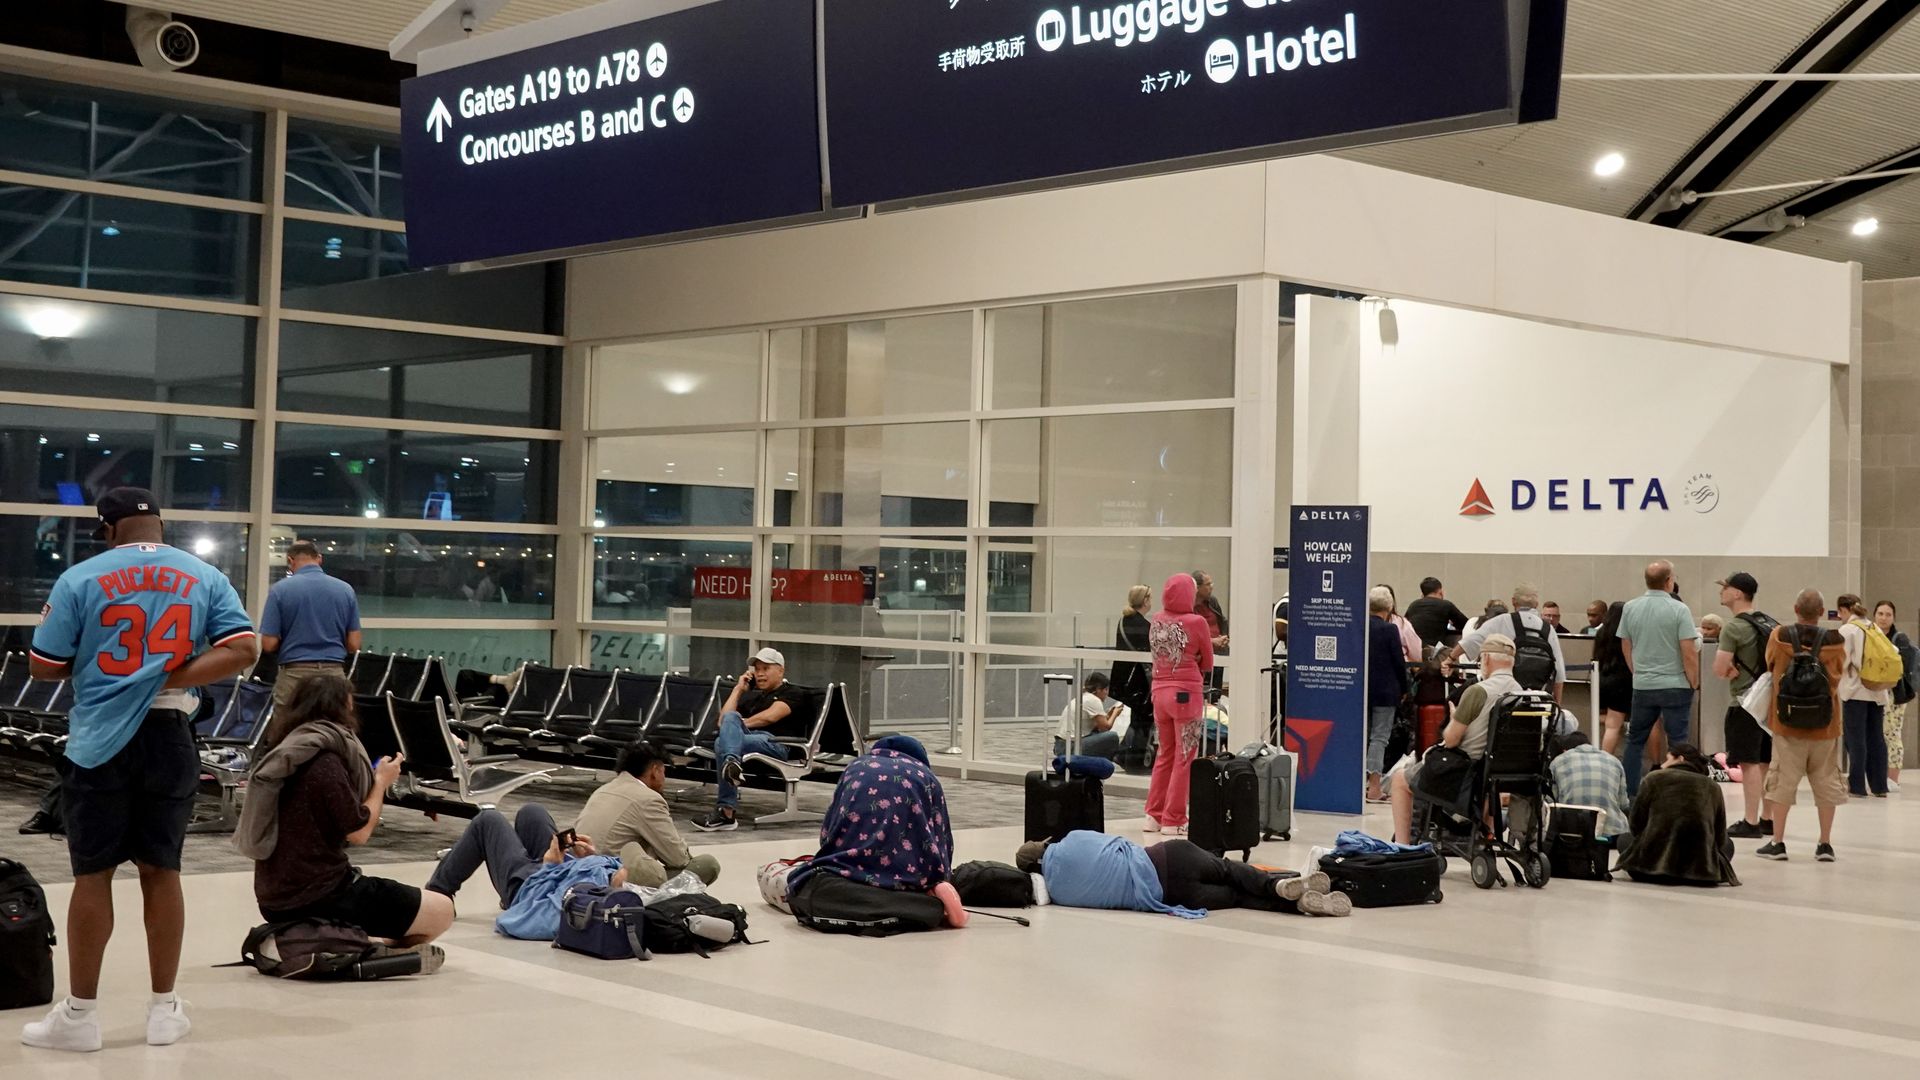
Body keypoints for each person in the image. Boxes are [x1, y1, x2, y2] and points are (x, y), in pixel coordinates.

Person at [22, 488, 258, 1053]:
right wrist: (163, 678)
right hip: (169, 738)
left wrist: (118, 675)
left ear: (106, 530)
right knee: (162, 870)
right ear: (160, 526)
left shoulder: (81, 579)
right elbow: (244, 649)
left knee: (92, 875)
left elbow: (44, 665)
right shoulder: (203, 575)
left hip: (100, 741)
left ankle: (80, 1017)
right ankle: (163, 1011)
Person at [240, 673, 453, 954]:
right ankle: (371, 949)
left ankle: (345, 941)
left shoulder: (288, 752)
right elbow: (358, 831)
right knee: (443, 910)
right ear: (343, 707)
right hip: (322, 893)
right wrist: (380, 783)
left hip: (272, 897)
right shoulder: (326, 761)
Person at [428, 741, 719, 905]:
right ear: (655, 771)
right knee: (497, 817)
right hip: (537, 888)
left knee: (526, 811)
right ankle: (437, 896)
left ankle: (438, 892)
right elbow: (679, 857)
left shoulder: (607, 787)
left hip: (561, 872)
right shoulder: (649, 799)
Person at [786, 735, 962, 930]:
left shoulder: (855, 767)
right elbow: (942, 838)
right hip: (909, 874)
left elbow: (829, 829)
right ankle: (921, 901)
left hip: (848, 868)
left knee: (805, 882)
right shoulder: (926, 777)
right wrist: (940, 877)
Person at [1015, 833, 1350, 918]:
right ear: (1043, 849)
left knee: (1236, 898)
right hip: (1167, 858)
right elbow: (1116, 843)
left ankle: (1300, 905)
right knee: (1230, 870)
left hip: (1170, 897)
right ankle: (1279, 883)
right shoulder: (1071, 840)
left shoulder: (1059, 892)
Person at [1393, 634, 1521, 844]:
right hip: (1497, 775)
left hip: (1464, 774)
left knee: (1400, 779)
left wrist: (1454, 718)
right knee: (1490, 785)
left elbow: (1451, 740)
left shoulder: (1477, 692)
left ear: (1486, 659)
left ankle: (1402, 845)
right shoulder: (1522, 694)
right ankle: (1484, 837)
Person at [1758, 589, 1847, 863]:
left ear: (1796, 608)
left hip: (1787, 724)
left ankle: (1778, 841)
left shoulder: (1780, 636)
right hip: (1825, 725)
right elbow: (1839, 672)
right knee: (1826, 783)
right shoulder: (1836, 640)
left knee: (1783, 781)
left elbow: (1770, 662)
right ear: (1822, 612)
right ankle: (1824, 844)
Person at [696, 647, 811, 831]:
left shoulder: (793, 693)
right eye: (757, 669)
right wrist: (738, 689)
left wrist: (735, 726)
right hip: (749, 741)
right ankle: (731, 766)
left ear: (780, 670)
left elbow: (770, 717)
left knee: (725, 736)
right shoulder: (754, 698)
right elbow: (722, 721)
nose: (760, 674)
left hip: (777, 744)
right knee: (724, 732)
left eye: (765, 668)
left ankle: (726, 811)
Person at [1618, 561, 1702, 796]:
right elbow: (1688, 651)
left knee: (1635, 741)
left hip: (1643, 685)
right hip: (1675, 685)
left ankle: (1631, 794)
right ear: (1669, 581)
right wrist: (1692, 681)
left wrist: (1638, 672)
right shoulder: (1679, 610)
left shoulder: (1630, 608)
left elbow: (1626, 644)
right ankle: (1675, 793)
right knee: (1678, 742)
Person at [1146, 573, 1214, 835]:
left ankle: (1153, 815)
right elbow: (1207, 662)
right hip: (1186, 694)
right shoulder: (1197, 622)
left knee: (1165, 753)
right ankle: (1174, 818)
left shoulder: (1156, 620)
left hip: (1159, 693)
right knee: (1185, 757)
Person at [1615, 744, 1740, 887]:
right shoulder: (1712, 786)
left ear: (1680, 759)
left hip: (1649, 869)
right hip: (1702, 872)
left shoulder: (1653, 778)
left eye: (1667, 759)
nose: (1662, 764)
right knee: (1729, 844)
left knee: (1624, 838)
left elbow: (1636, 825)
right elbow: (1720, 837)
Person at [258, 540, 362, 711]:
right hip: (334, 676)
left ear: (290, 561)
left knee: (287, 730)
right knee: (336, 729)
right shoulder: (345, 590)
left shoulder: (280, 590)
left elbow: (269, 644)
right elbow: (354, 644)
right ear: (319, 558)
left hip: (294, 675)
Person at [1712, 572, 1775, 839]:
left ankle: (1749, 821)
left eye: (1725, 587)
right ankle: (1767, 819)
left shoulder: (1733, 627)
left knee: (1748, 764)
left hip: (1744, 703)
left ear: (1737, 593)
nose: (1721, 592)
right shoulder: (1770, 623)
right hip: (1769, 702)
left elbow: (1718, 667)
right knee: (1766, 762)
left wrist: (1728, 670)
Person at [1452, 584, 1566, 700]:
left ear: (1513, 602)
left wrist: (1450, 658)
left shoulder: (1503, 620)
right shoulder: (1548, 629)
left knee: (1455, 699)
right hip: (1538, 696)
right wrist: (1557, 704)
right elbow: (1559, 672)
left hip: (1504, 695)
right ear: (1536, 604)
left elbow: (1472, 641)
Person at [1835, 595, 1891, 799]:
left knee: (1855, 739)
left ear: (1843, 610)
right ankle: (1879, 786)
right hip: (1877, 690)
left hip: (1854, 690)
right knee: (1876, 738)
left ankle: (1857, 786)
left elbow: (1841, 661)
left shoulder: (1847, 630)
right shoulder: (1874, 628)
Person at [1547, 730, 1629, 844]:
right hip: (1612, 833)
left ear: (1565, 750)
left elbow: (1554, 801)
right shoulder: (1614, 761)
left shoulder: (1558, 761)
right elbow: (1623, 803)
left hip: (1572, 833)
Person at [1367, 591, 1410, 803]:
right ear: (1389, 608)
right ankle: (1374, 787)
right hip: (1385, 692)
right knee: (1379, 738)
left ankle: (1358, 784)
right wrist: (1405, 688)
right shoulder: (1390, 629)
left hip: (1360, 691)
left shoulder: (1359, 626)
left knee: (1361, 737)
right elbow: (1398, 662)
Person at [1112, 586, 1155, 769]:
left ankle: (1124, 754)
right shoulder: (1145, 627)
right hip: (1140, 681)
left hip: (1124, 679)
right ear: (1145, 600)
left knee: (1137, 719)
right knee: (1143, 721)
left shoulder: (1123, 621)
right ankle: (1133, 760)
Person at [1874, 600, 1910, 793]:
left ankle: (1893, 778)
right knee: (1878, 733)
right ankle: (1878, 775)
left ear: (1893, 617)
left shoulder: (1899, 638)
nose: (1883, 618)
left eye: (1888, 614)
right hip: (1876, 691)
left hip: (1895, 694)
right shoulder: (1871, 636)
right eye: (1880, 613)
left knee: (1892, 732)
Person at [1054, 670, 1124, 760]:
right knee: (1112, 737)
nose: (1107, 693)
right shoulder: (1094, 700)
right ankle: (1109, 761)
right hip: (1069, 747)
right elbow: (1105, 727)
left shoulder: (1084, 697)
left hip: (1061, 746)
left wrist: (1108, 715)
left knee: (1097, 733)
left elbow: (1095, 726)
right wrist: (1115, 713)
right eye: (1106, 689)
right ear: (1098, 689)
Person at [1592, 601, 1631, 755]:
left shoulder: (1601, 632)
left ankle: (1602, 756)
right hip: (1621, 680)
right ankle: (1606, 758)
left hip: (1602, 678)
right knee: (1614, 726)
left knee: (1609, 723)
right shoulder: (1625, 633)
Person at [1405, 576, 1470, 651]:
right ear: (1441, 592)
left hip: (1413, 650)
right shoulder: (1446, 605)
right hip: (1434, 653)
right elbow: (1466, 625)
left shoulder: (1413, 605)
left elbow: (1405, 625)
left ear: (1423, 594)